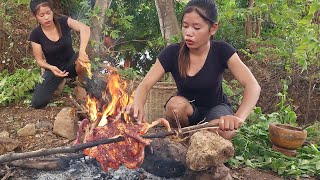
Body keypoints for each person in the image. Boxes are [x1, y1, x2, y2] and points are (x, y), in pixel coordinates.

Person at [126, 0, 261, 140]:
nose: (188, 33)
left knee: (225, 131)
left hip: (216, 109)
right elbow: (145, 85)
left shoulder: (222, 50)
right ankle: (185, 139)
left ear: (213, 28)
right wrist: (137, 106)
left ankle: (200, 135)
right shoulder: (172, 53)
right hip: (187, 112)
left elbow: (253, 86)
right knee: (174, 106)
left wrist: (238, 117)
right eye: (185, 26)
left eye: (196, 28)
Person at [28, 0, 91, 108]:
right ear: (36, 16)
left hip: (72, 63)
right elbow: (39, 61)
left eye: (48, 13)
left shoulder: (63, 21)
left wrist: (81, 51)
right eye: (41, 15)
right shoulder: (36, 34)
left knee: (83, 57)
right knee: (37, 103)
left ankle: (80, 83)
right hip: (54, 69)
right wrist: (51, 68)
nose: (46, 17)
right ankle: (60, 82)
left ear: (52, 11)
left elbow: (85, 28)